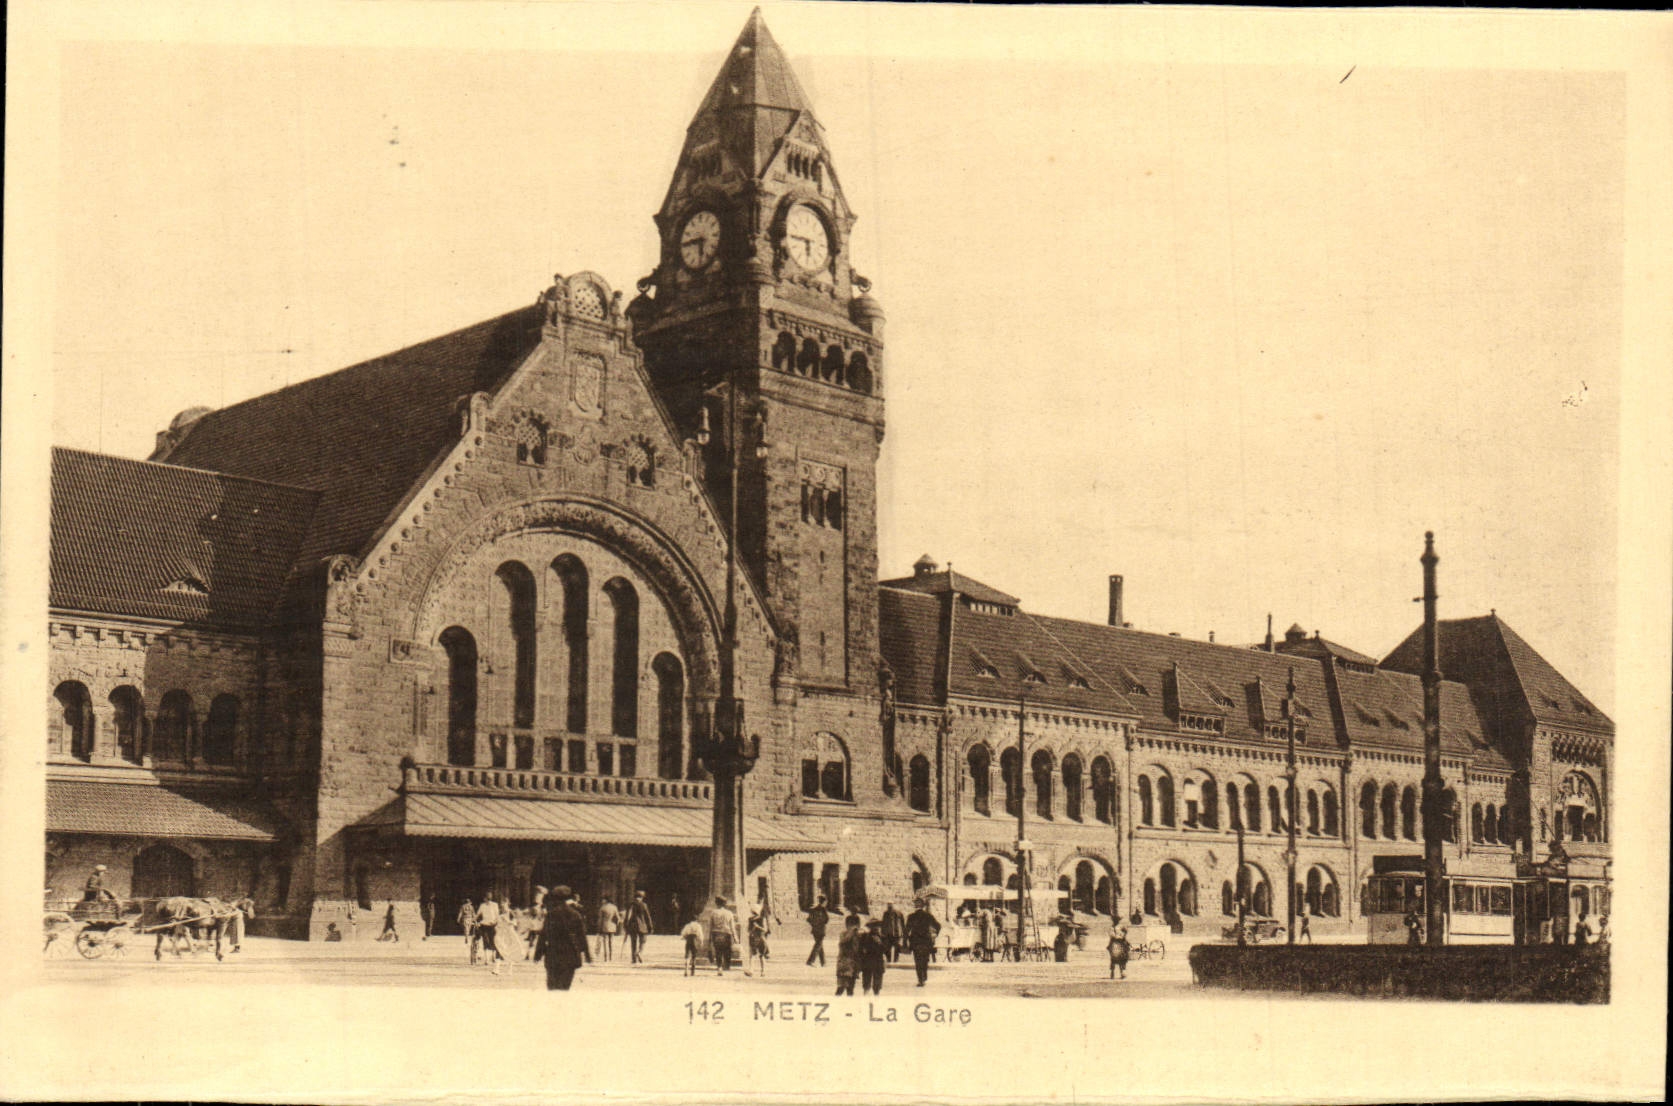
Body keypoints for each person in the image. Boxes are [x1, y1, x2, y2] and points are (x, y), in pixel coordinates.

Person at [533, 885, 591, 991]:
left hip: (553, 955)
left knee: (552, 987)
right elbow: (581, 936)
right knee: (565, 987)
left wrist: (538, 954)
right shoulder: (575, 915)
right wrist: (587, 954)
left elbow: (543, 936)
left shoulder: (551, 915)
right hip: (570, 955)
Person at [904, 899, 942, 987]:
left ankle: (920, 979)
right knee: (925, 960)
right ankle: (924, 976)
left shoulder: (911, 916)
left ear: (915, 906)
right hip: (926, 942)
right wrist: (935, 934)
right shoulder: (928, 915)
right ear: (923, 906)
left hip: (915, 942)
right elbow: (938, 926)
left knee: (917, 961)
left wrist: (905, 942)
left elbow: (906, 930)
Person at [708, 897, 739, 975]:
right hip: (726, 934)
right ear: (724, 904)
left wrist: (709, 938)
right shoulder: (729, 913)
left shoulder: (713, 913)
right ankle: (726, 966)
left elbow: (710, 926)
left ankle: (719, 968)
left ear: (717, 903)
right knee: (727, 951)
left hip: (716, 934)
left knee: (718, 951)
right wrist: (735, 937)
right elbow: (732, 927)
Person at [477, 892, 505, 974]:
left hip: (493, 925)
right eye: (486, 898)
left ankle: (493, 956)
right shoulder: (482, 905)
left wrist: (496, 922)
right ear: (485, 898)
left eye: (488, 898)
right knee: (485, 941)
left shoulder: (495, 905)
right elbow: (478, 914)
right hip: (484, 925)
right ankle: (486, 959)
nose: (487, 900)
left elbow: (497, 915)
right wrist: (475, 920)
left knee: (493, 941)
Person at [858, 919, 888, 995]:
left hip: (878, 961)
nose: (876, 928)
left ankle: (876, 997)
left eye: (878, 926)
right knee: (866, 983)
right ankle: (866, 997)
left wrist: (880, 944)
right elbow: (860, 949)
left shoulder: (882, 937)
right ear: (870, 927)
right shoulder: (865, 937)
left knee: (877, 984)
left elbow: (886, 950)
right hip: (868, 961)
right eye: (874, 926)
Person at [834, 914, 862, 995]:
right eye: (851, 925)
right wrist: (851, 933)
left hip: (854, 965)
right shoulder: (843, 934)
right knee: (841, 987)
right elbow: (843, 942)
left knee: (851, 989)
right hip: (844, 964)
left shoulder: (858, 936)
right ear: (847, 925)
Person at [625, 890, 654, 964]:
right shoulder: (644, 905)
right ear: (641, 897)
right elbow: (648, 917)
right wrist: (650, 926)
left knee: (633, 942)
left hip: (632, 925)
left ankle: (634, 959)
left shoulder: (630, 905)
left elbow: (627, 916)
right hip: (642, 925)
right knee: (643, 940)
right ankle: (640, 952)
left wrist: (625, 926)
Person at [805, 895, 831, 967]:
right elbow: (827, 919)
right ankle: (811, 960)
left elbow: (808, 919)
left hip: (815, 930)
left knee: (819, 945)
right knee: (818, 945)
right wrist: (820, 923)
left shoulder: (814, 909)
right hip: (821, 930)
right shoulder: (823, 909)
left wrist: (813, 924)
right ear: (824, 902)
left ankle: (823, 962)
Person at [747, 907, 770, 976]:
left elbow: (764, 929)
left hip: (758, 937)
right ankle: (754, 970)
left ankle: (760, 971)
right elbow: (749, 930)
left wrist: (757, 927)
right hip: (756, 937)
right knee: (756, 955)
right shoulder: (751, 919)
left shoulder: (761, 919)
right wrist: (754, 928)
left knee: (757, 955)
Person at [596, 896, 620, 962]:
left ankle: (605, 958)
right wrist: (616, 924)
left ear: (606, 900)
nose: (602, 901)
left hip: (604, 926)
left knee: (605, 942)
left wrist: (599, 927)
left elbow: (600, 919)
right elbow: (618, 918)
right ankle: (611, 957)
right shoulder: (614, 907)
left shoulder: (602, 908)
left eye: (603, 900)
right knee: (611, 942)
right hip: (612, 926)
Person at [457, 898, 479, 964]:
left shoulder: (463, 906)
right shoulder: (471, 907)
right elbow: (473, 913)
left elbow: (460, 913)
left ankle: (466, 935)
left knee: (465, 928)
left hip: (465, 918)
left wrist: (458, 918)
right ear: (470, 902)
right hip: (470, 918)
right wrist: (475, 920)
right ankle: (467, 933)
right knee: (469, 927)